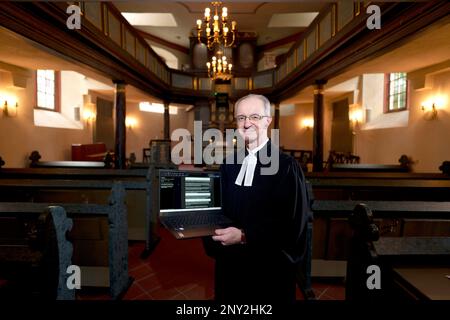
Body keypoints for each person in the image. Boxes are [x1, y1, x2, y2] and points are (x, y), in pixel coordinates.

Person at [203, 94, 310, 301]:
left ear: (268, 121)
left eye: (254, 116)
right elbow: (220, 209)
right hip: (231, 265)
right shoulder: (229, 164)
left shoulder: (286, 166)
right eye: (241, 117)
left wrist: (244, 235)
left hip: (268, 269)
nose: (246, 123)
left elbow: (293, 224)